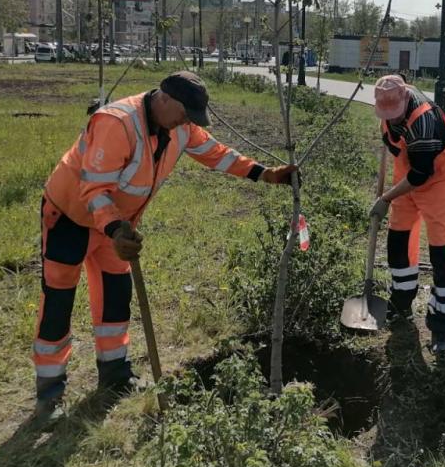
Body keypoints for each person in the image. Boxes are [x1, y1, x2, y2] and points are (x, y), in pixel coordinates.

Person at [32, 71, 296, 419]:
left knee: (115, 296)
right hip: (71, 216)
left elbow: (216, 153)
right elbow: (95, 190)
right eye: (184, 113)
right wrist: (114, 229)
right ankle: (50, 392)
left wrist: (264, 173)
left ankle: (114, 374)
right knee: (59, 299)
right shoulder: (117, 124)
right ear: (165, 99)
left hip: (117, 228)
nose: (187, 122)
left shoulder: (179, 126)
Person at [369, 75, 445, 355]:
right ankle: (401, 303)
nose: (392, 120)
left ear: (406, 99)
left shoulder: (425, 122)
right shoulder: (389, 103)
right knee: (398, 242)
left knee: (440, 254)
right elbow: (396, 146)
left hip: (436, 181)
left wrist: (386, 198)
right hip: (405, 177)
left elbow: (421, 175)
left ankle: (440, 328)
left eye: (395, 115)